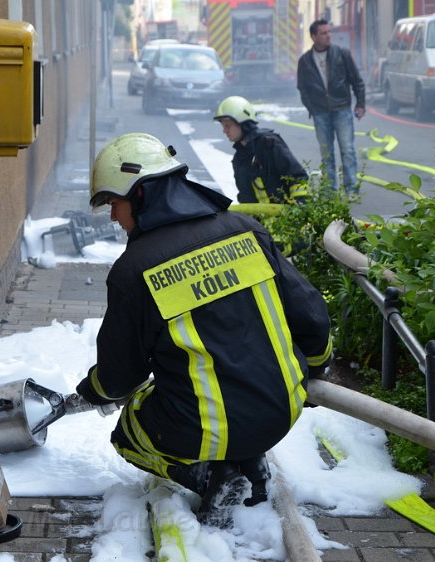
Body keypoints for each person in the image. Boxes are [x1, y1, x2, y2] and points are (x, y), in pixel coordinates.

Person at [74, 132, 333, 515]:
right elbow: (311, 315)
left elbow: (119, 378)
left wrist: (93, 392)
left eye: (114, 202)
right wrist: (315, 372)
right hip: (283, 409)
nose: (113, 216)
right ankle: (247, 461)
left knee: (130, 432)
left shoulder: (134, 271)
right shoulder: (246, 230)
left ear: (142, 193)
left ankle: (209, 476)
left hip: (206, 430)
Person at [296, 19, 366, 196]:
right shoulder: (305, 61)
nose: (328, 36)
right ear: (313, 36)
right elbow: (302, 88)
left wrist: (360, 104)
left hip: (342, 109)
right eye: (324, 33)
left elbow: (357, 81)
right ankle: (330, 191)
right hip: (320, 113)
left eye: (329, 32)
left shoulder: (341, 54)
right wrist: (312, 108)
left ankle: (352, 189)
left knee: (348, 150)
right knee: (327, 154)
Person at [213, 96, 309, 204]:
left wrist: (299, 205)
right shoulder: (239, 157)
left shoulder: (269, 144)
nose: (224, 131)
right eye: (223, 126)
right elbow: (245, 196)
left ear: (243, 123)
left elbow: (297, 176)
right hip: (258, 220)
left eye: (228, 125)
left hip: (284, 218)